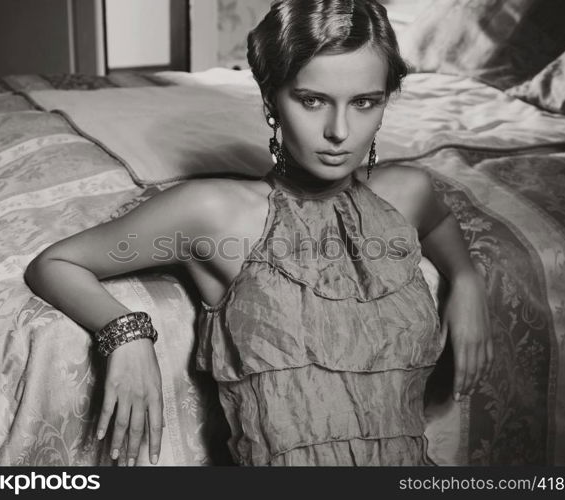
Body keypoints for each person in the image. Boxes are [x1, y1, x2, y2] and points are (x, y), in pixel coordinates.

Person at [25, 0, 492, 466]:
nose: (340, 131)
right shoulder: (215, 212)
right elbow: (56, 263)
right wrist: (126, 333)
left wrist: (466, 281)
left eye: (364, 102)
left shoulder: (405, 193)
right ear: (271, 98)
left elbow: (441, 222)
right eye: (312, 100)